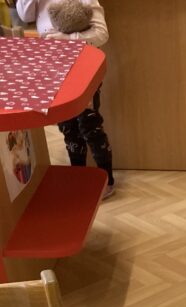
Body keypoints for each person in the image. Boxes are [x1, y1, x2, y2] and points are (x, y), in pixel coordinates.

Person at [15, 0, 115, 199]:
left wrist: (68, 39)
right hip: (54, 69)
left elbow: (101, 33)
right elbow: (25, 16)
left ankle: (107, 179)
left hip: (83, 68)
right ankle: (77, 176)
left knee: (90, 125)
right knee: (68, 126)